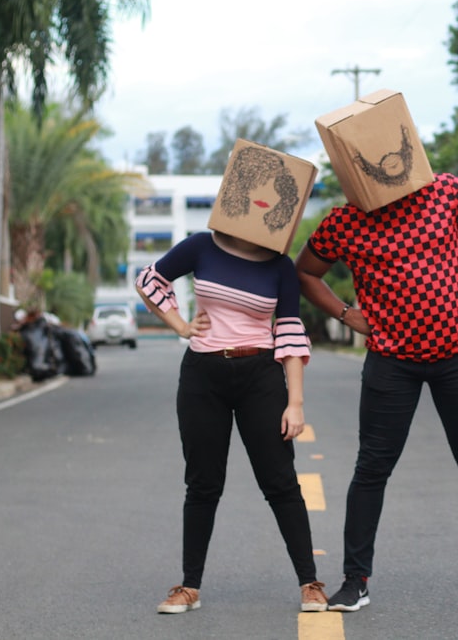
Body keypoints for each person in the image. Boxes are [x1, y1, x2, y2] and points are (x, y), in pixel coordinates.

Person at [294, 172, 458, 614]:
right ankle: (355, 581)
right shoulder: (343, 222)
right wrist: (345, 313)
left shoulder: (444, 191)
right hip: (391, 362)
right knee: (372, 469)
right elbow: (305, 272)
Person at [135, 230, 328, 614]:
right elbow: (149, 280)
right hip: (202, 376)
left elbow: (289, 332)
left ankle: (310, 584)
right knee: (203, 483)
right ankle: (189, 587)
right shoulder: (201, 246)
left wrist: (295, 403)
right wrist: (179, 325)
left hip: (260, 374)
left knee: (280, 483)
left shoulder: (280, 266)